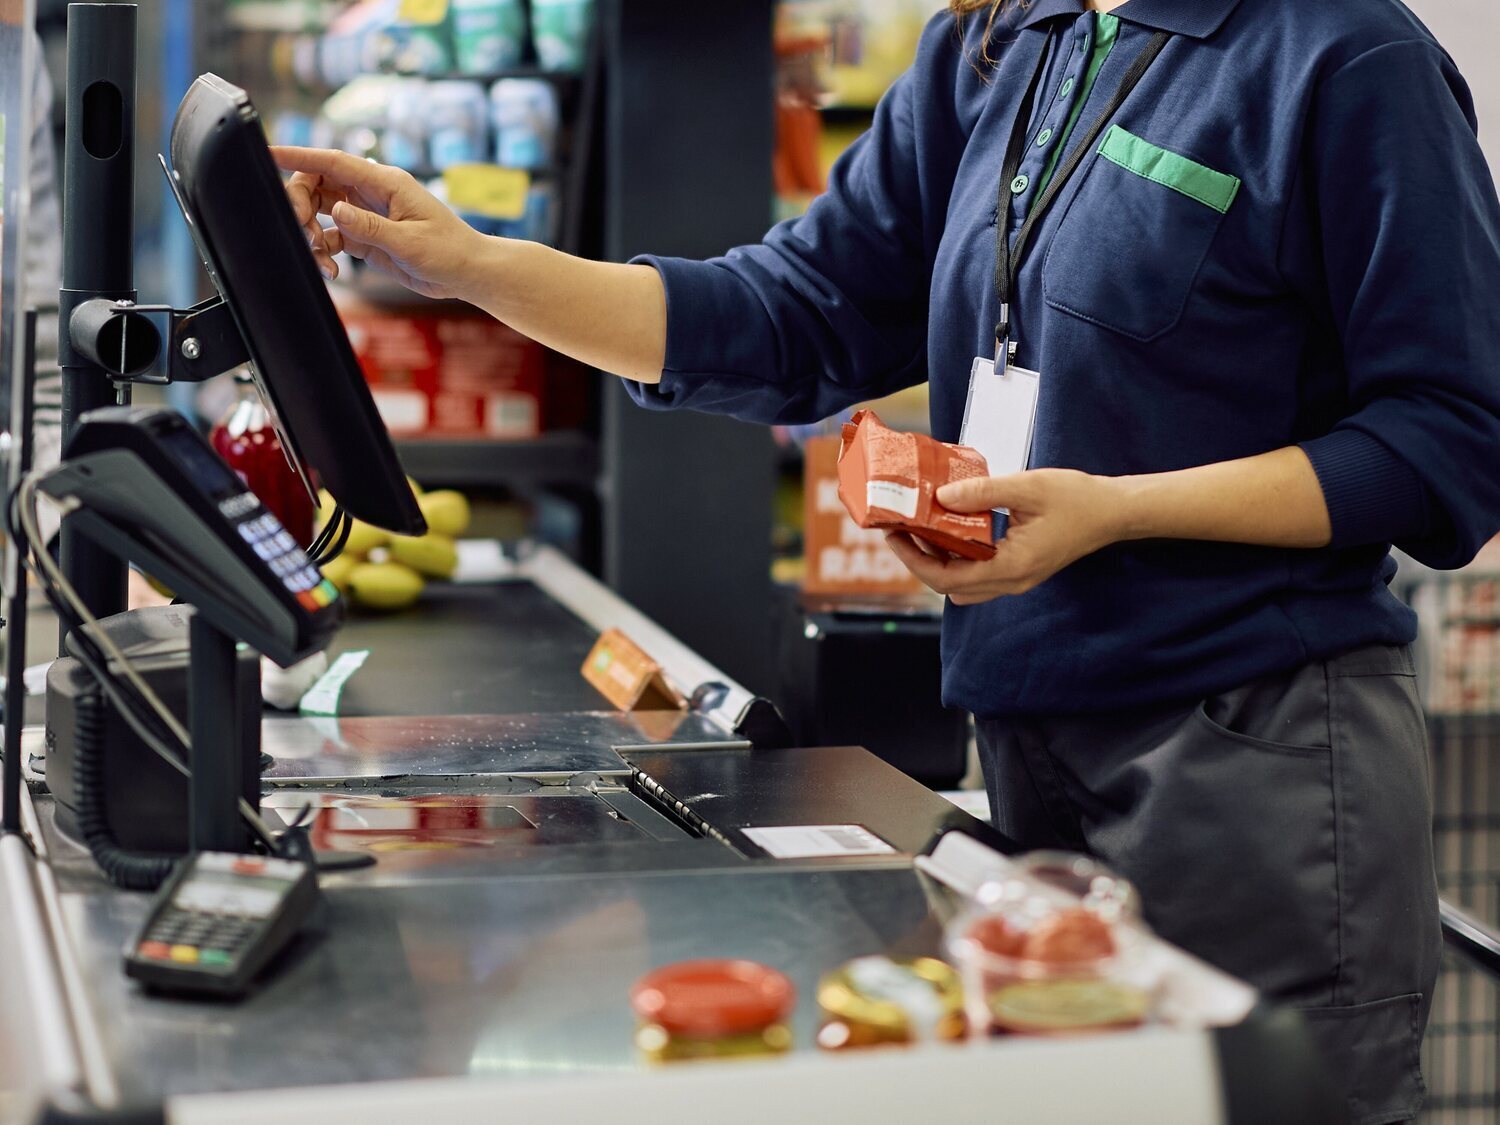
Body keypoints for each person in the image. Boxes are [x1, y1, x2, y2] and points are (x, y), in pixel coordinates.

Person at [274, 0, 1500, 1119]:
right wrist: (469, 263)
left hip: (1255, 763)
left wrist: (1119, 510)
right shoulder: (1002, 44)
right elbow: (788, 314)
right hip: (1023, 739)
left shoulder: (1344, 59)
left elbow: (1450, 443)